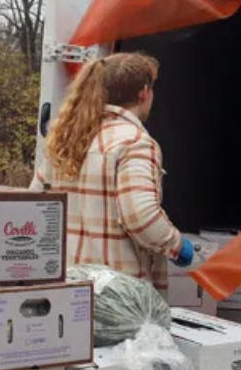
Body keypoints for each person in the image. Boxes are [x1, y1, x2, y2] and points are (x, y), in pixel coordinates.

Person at [32, 52, 195, 290]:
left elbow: (35, 208)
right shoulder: (135, 142)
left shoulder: (65, 139)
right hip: (117, 293)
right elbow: (141, 218)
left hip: (65, 287)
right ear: (144, 92)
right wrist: (177, 245)